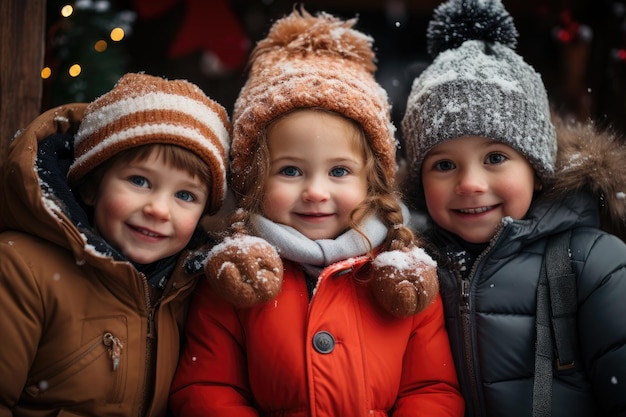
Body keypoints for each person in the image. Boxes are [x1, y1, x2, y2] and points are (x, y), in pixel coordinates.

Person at [169, 8, 464, 417]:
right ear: (254, 181)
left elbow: (432, 390)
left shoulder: (404, 277)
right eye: (290, 170)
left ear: (372, 182)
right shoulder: (233, 278)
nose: (315, 192)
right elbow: (207, 389)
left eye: (339, 171)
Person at [400, 0, 626, 416]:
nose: (470, 183)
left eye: (495, 158)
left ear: (537, 169)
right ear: (419, 181)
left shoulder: (593, 264)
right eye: (444, 164)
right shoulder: (408, 268)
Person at [0, 72, 231, 416]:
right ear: (91, 186)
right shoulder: (21, 270)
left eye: (185, 195)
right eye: (139, 181)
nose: (158, 209)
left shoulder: (188, 289)